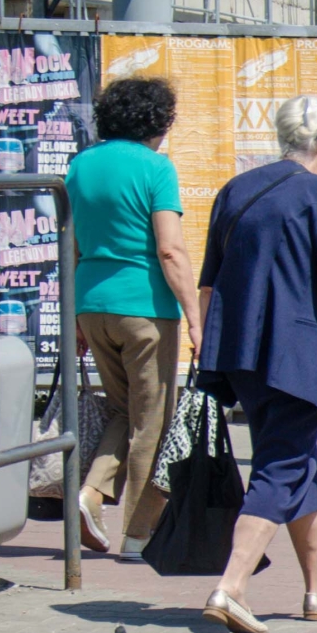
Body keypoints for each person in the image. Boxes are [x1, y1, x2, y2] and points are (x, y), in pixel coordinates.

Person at [195, 96, 317, 633]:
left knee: (293, 458)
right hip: (299, 353)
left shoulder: (236, 190)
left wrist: (200, 346)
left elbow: (208, 284)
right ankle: (232, 585)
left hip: (241, 351)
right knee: (281, 465)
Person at [66, 76, 202, 560]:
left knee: (123, 410)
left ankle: (91, 492)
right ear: (156, 120)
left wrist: (76, 317)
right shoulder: (156, 168)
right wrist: (194, 316)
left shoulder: (80, 165)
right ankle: (139, 534)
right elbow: (169, 248)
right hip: (144, 306)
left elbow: (75, 243)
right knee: (154, 422)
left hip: (91, 302)